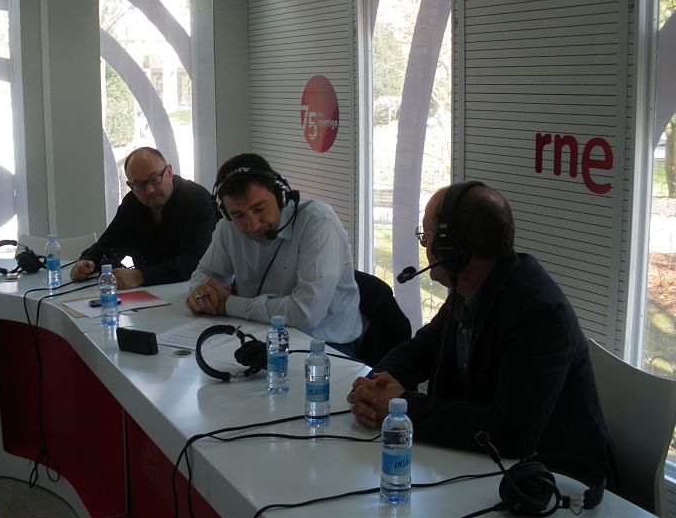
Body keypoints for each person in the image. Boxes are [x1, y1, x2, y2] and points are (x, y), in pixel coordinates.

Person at [347, 181, 618, 489]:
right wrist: (378, 383)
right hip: (487, 469)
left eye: (428, 236)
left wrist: (402, 406)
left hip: (557, 484)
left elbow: (509, 432)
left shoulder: (538, 314)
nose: (425, 247)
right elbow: (422, 349)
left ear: (451, 250)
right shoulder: (471, 288)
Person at [185, 153, 363, 350]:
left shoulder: (319, 223)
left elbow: (306, 313)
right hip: (256, 336)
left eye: (259, 208)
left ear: (281, 196)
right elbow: (204, 276)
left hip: (323, 347)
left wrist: (228, 305)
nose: (253, 224)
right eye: (238, 215)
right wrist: (202, 295)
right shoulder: (228, 227)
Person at [70, 147, 216, 289]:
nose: (149, 190)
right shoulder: (133, 202)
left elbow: (195, 261)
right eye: (139, 185)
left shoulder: (197, 200)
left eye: (154, 179)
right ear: (130, 185)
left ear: (169, 172)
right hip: (149, 294)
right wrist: (88, 261)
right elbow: (109, 240)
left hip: (193, 290)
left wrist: (141, 276)